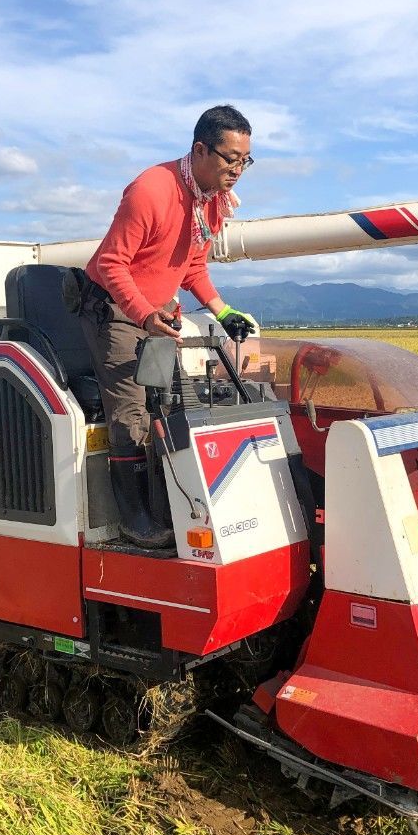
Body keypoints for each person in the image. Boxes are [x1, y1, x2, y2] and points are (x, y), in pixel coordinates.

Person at [79, 105, 258, 548]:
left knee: (167, 401)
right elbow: (111, 263)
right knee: (132, 409)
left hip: (157, 313)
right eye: (230, 158)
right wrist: (143, 314)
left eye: (245, 160)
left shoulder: (211, 201)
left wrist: (223, 311)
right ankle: (134, 518)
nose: (237, 169)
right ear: (200, 149)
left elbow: (192, 264)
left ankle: (168, 504)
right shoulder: (151, 190)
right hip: (115, 311)